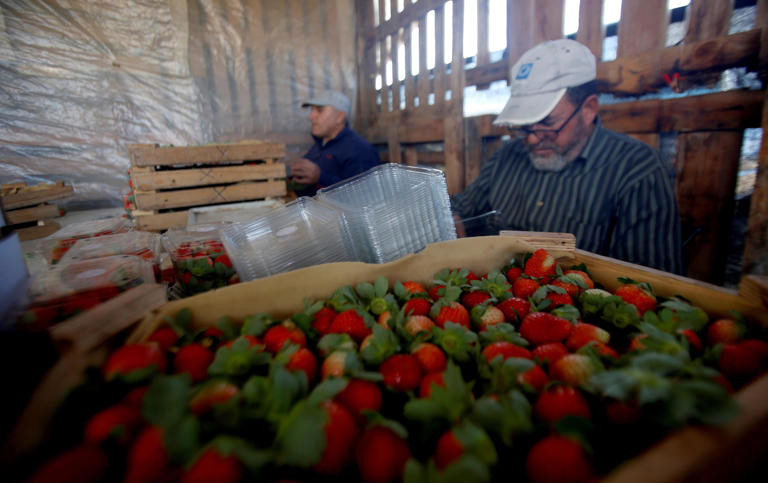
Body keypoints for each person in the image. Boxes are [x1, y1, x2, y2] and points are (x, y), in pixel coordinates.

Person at [451, 39, 683, 274]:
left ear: (589, 109)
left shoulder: (637, 171)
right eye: (523, 126)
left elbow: (653, 281)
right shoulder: (506, 157)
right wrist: (452, 219)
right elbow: (460, 208)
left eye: (548, 123)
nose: (531, 139)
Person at [290, 90, 380, 197]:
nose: (311, 116)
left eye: (319, 110)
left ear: (340, 117)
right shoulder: (319, 146)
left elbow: (364, 196)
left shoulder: (360, 150)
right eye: (312, 110)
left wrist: (320, 177)